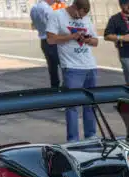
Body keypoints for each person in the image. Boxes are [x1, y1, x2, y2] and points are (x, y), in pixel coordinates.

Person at [45, 0, 99, 142]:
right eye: (79, 15)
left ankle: (91, 135)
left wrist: (87, 40)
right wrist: (71, 37)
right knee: (72, 105)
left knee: (90, 102)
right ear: (75, 7)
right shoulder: (57, 15)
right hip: (72, 67)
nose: (81, 18)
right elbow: (50, 39)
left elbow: (96, 41)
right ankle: (73, 139)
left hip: (90, 65)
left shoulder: (86, 18)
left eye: (83, 16)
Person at [30, 0, 61, 87]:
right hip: (54, 40)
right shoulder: (47, 9)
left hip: (44, 41)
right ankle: (68, 91)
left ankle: (55, 89)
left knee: (52, 69)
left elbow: (33, 24)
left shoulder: (34, 8)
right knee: (65, 66)